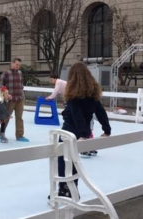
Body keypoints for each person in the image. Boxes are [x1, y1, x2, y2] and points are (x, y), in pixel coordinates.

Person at [56, 62, 111, 197]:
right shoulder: (93, 95)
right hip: (81, 132)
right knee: (74, 162)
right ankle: (73, 189)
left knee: (63, 161)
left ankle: (64, 189)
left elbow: (77, 116)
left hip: (69, 133)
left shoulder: (74, 96)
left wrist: (83, 134)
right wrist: (106, 129)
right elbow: (100, 112)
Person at [0, 58, 29, 142]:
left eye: (19, 65)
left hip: (20, 98)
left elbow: (21, 85)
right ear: (12, 63)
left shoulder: (20, 73)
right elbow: (1, 86)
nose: (18, 67)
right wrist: (6, 94)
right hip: (10, 100)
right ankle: (1, 133)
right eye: (17, 64)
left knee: (19, 118)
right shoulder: (6, 73)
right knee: (6, 117)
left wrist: (23, 95)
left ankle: (19, 135)